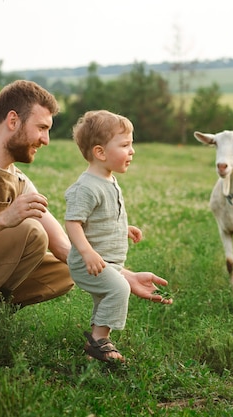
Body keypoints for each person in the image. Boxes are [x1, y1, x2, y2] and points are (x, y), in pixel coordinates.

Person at [0, 80, 172, 327]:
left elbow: (66, 248)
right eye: (41, 128)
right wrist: (7, 218)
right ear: (13, 120)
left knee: (70, 269)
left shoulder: (19, 181)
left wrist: (125, 277)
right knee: (31, 232)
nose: (46, 140)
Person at [65, 110, 171, 363]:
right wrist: (87, 252)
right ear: (100, 152)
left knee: (109, 294)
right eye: (125, 145)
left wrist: (122, 228)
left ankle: (96, 342)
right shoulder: (87, 187)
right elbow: (73, 223)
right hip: (87, 261)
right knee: (119, 288)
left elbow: (99, 219)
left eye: (131, 144)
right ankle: (99, 341)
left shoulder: (108, 180)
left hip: (107, 260)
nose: (132, 151)